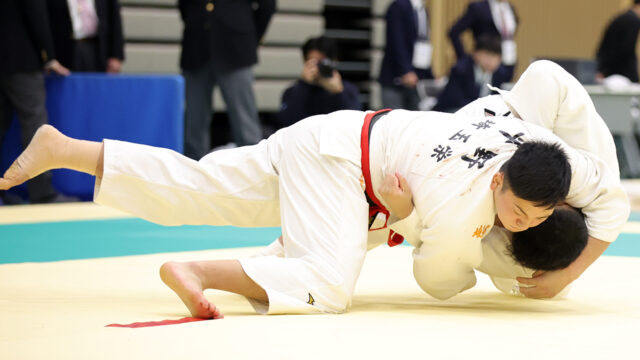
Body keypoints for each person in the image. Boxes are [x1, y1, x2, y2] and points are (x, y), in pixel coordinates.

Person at [0, 95, 626, 318]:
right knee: (328, 283)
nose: (525, 222)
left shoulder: (551, 160)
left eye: (540, 216)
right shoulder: (463, 208)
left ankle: (71, 149)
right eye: (517, 212)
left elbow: (612, 204)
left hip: (333, 139)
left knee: (202, 189)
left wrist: (570, 270)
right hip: (339, 166)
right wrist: (413, 226)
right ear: (496, 185)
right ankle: (200, 272)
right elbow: (436, 280)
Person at [378, 59, 628, 299]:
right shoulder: (585, 172)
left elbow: (439, 271)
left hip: (465, 158)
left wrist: (405, 215)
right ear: (562, 202)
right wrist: (570, 274)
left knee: (541, 285)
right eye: (532, 214)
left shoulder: (513, 257)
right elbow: (546, 74)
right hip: (497, 133)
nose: (521, 222)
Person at [0, 0, 75, 205]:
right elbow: (35, 12)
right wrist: (48, 56)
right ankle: (42, 192)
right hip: (21, 57)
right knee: (34, 123)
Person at [180, 0, 276, 160]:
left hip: (235, 46)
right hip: (196, 45)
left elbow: (267, 5)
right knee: (193, 121)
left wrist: (251, 39)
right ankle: (193, 172)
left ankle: (254, 168)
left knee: (244, 120)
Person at [276, 36, 361, 129]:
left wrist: (339, 93)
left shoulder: (348, 90)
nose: (319, 68)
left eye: (323, 63)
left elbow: (355, 125)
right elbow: (286, 125)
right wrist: (304, 85)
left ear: (335, 61)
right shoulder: (293, 92)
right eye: (314, 63)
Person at [379, 0, 434, 110]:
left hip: (417, 79)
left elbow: (423, 43)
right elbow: (396, 41)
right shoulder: (398, 6)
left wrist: (430, 76)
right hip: (396, 78)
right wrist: (405, 71)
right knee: (394, 119)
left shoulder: (423, 10)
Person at [433, 35, 510, 112]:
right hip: (451, 112)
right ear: (475, 54)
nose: (490, 60)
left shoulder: (500, 74)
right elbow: (455, 100)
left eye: (494, 56)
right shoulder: (461, 69)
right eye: (487, 54)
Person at [46, 0, 125, 73]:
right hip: (64, 49)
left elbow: (114, 18)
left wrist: (116, 55)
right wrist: (49, 57)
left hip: (96, 47)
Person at [449, 0, 518, 82]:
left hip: (508, 61)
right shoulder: (479, 8)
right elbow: (454, 32)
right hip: (485, 61)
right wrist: (463, 59)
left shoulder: (510, 8)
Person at [595, 0, 640, 83]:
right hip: (621, 75)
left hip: (610, 71)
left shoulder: (621, 18)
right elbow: (626, 50)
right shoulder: (633, 21)